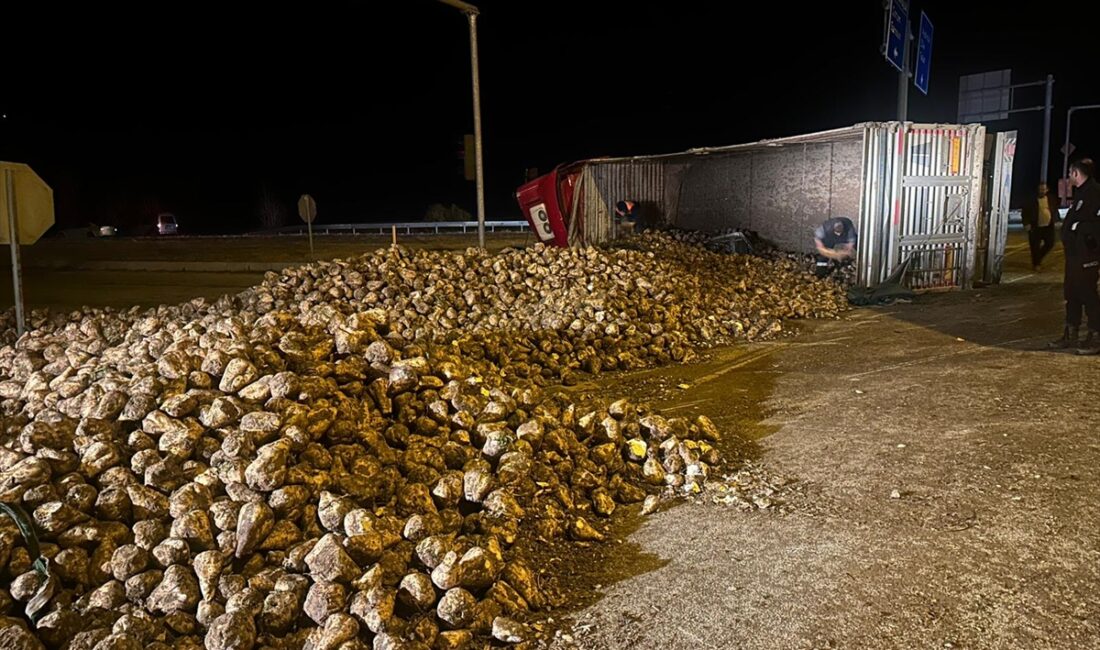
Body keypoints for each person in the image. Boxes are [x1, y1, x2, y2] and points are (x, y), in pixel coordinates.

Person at [1048, 158, 1100, 354]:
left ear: (1076, 173)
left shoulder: (1095, 193)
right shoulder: (1081, 194)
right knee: (1072, 293)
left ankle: (1095, 337)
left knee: (1088, 294)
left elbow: (1095, 224)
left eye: (1070, 173)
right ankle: (1071, 333)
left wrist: (1078, 228)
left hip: (1088, 255)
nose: (1069, 177)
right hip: (1075, 255)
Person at [1022, 182, 1059, 271]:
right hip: (1035, 226)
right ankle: (1036, 263)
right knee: (1034, 246)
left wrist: (1057, 220)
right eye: (1040, 189)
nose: (1042, 191)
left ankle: (1038, 258)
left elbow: (1054, 209)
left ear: (1047, 190)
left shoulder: (1051, 198)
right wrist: (1026, 223)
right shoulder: (1031, 200)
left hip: (1048, 226)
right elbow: (1025, 212)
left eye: (1043, 189)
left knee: (1050, 243)